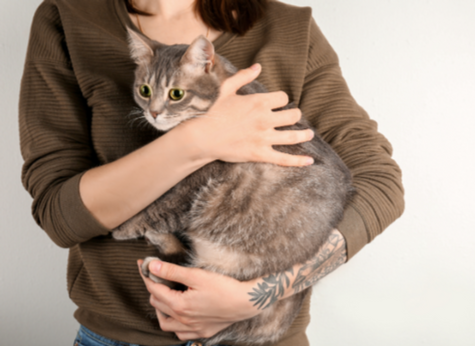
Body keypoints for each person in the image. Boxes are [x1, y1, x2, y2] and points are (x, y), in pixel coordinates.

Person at [19, 0, 404, 345]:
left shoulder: (289, 27)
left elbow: (380, 182)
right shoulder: (68, 16)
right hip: (120, 338)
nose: (152, 110)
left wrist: (257, 293)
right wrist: (196, 141)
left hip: (265, 337)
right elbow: (58, 214)